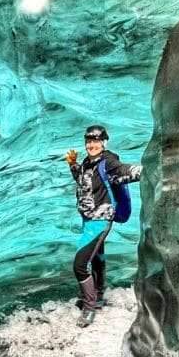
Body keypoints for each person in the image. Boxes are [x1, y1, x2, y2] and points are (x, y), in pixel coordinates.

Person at [66, 125, 142, 328]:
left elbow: (125, 171)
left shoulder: (108, 162)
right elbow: (84, 183)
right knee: (97, 259)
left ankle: (90, 308)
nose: (91, 145)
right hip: (88, 220)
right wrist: (73, 166)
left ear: (104, 142)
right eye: (89, 141)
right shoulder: (87, 162)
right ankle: (97, 296)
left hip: (99, 221)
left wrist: (148, 170)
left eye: (96, 141)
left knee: (80, 265)